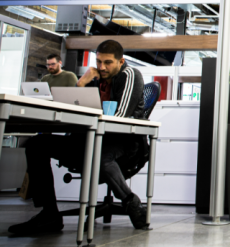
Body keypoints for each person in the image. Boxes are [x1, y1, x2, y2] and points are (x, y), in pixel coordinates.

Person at [9, 40, 148, 236]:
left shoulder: (130, 75)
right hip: (89, 136)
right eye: (99, 62)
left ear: (120, 61)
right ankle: (49, 215)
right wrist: (82, 83)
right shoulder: (98, 77)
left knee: (99, 156)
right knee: (36, 144)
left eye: (108, 62)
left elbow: (120, 118)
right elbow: (77, 106)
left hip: (124, 141)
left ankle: (130, 201)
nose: (101, 67)